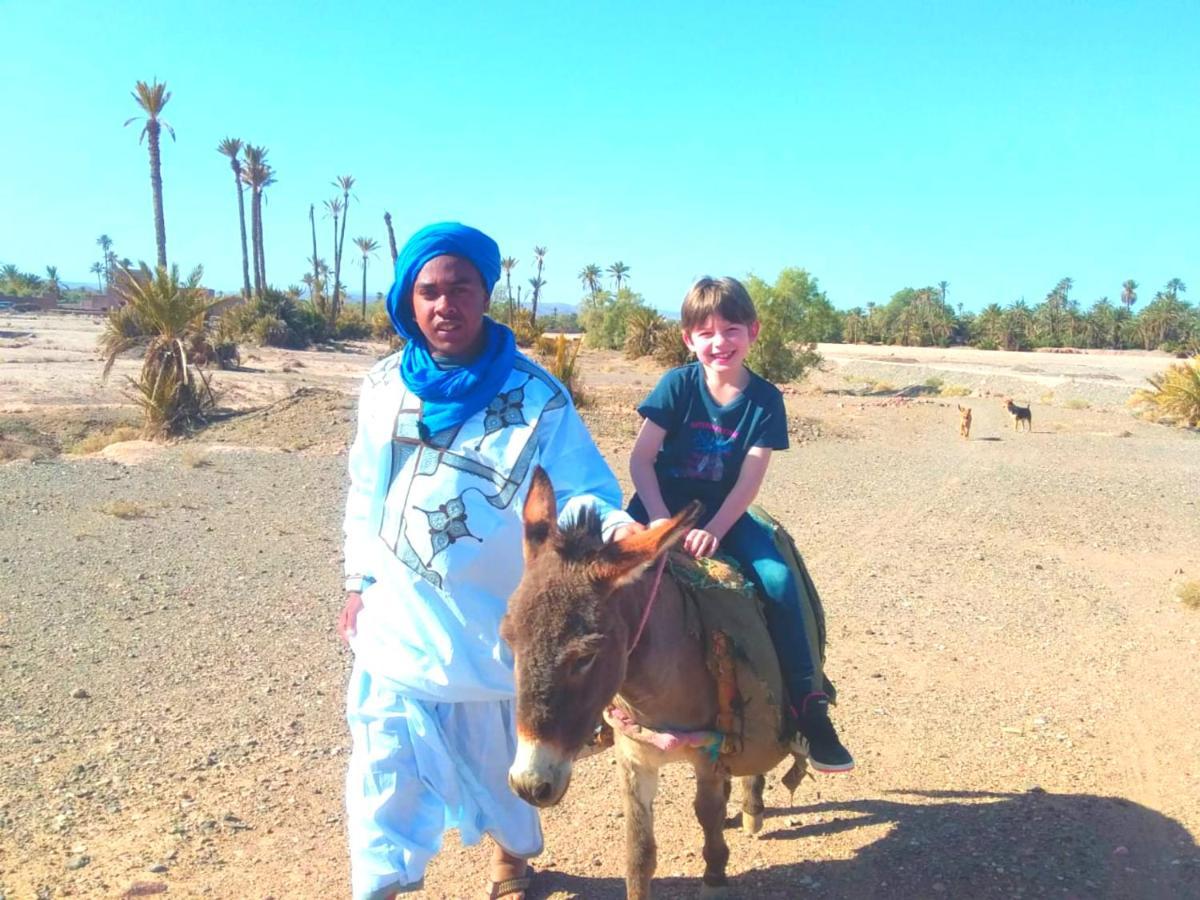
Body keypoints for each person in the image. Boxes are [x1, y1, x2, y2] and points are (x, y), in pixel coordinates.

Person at [339, 222, 637, 900]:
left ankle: (511, 861)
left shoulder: (539, 400)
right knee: (383, 764)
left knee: (505, 760)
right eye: (430, 291)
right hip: (398, 623)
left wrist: (625, 538)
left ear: (485, 294)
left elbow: (587, 493)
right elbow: (366, 491)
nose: (446, 305)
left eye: (461, 289)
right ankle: (380, 886)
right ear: (408, 301)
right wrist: (357, 580)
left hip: (491, 633)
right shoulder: (383, 387)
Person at [627, 276, 854, 773]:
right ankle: (581, 706)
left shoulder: (765, 402)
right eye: (705, 332)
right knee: (593, 571)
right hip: (659, 505)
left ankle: (808, 710)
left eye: (731, 329)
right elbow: (641, 461)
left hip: (724, 510)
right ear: (688, 339)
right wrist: (660, 520)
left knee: (777, 579)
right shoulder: (677, 386)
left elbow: (748, 483)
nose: (719, 342)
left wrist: (719, 528)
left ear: (753, 331)